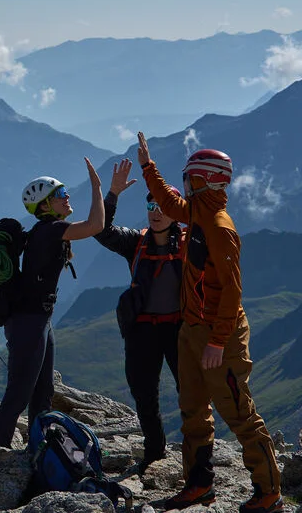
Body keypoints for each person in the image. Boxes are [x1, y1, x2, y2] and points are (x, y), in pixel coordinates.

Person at [135, 133, 282, 513]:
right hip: (193, 330)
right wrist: (148, 167)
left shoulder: (218, 227)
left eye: (189, 177)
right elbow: (170, 203)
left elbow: (232, 292)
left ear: (203, 179)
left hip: (220, 336)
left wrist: (217, 341)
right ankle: (199, 485)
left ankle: (269, 492)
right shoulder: (199, 213)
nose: (185, 184)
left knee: (239, 413)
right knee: (193, 409)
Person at [0, 157, 105, 448]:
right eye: (60, 194)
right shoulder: (51, 230)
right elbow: (96, 225)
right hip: (29, 321)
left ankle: (38, 450)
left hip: (37, 319)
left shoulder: (46, 230)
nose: (67, 197)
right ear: (44, 206)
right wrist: (98, 187)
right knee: (20, 393)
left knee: (43, 391)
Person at [92, 158, 183, 476]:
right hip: (143, 330)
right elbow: (102, 232)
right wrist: (113, 194)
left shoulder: (189, 244)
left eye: (163, 206)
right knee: (144, 393)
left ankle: (197, 455)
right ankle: (155, 453)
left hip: (179, 329)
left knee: (190, 393)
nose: (155, 212)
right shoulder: (137, 242)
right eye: (151, 205)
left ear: (176, 212)